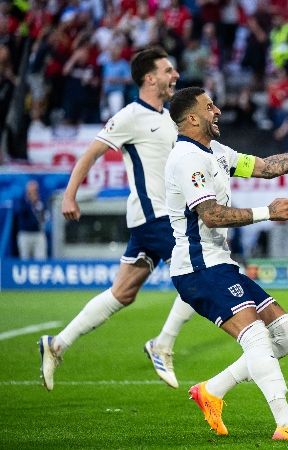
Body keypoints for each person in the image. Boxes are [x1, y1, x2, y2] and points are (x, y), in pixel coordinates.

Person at [165, 87, 288, 441]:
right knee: (255, 336)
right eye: (209, 106)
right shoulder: (186, 158)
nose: (218, 110)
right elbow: (210, 215)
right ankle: (286, 422)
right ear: (192, 118)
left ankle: (212, 390)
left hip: (220, 264)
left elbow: (268, 167)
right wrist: (267, 212)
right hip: (197, 267)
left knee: (286, 334)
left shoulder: (217, 152)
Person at [39, 47, 196, 391]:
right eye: (169, 70)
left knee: (122, 293)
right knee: (201, 274)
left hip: (156, 218)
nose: (176, 76)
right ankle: (162, 344)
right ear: (150, 77)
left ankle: (56, 344)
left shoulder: (172, 117)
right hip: (156, 216)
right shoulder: (129, 116)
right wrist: (69, 195)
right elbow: (90, 154)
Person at [16, 180, 48, 260]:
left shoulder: (41, 201)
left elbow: (44, 217)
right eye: (31, 191)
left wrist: (36, 204)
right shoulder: (22, 201)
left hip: (38, 233)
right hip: (25, 233)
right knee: (24, 258)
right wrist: (30, 202)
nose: (33, 193)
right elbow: (20, 212)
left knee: (41, 259)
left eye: (35, 190)